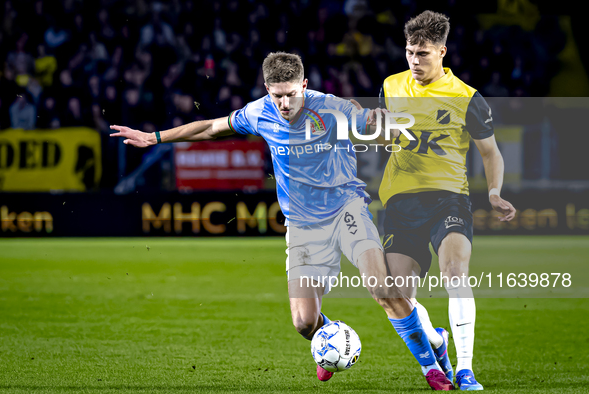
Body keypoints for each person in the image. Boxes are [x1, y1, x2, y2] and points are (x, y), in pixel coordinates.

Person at [111, 52, 454, 390]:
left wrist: (384, 123)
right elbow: (212, 128)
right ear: (266, 89)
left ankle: (432, 368)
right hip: (303, 225)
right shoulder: (259, 112)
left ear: (304, 85)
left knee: (382, 288)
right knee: (305, 323)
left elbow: (371, 124)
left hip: (346, 211)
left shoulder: (332, 107)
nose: (285, 103)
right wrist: (154, 137)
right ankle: (334, 338)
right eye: (278, 95)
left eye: (292, 94)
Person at [377, 11, 516, 391]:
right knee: (398, 296)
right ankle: (437, 341)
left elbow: (490, 153)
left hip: (449, 199)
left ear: (442, 51)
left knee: (455, 272)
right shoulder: (391, 86)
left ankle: (465, 369)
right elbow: (384, 138)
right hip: (400, 202)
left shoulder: (466, 97)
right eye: (409, 52)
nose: (414, 60)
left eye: (422, 53)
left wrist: (493, 192)